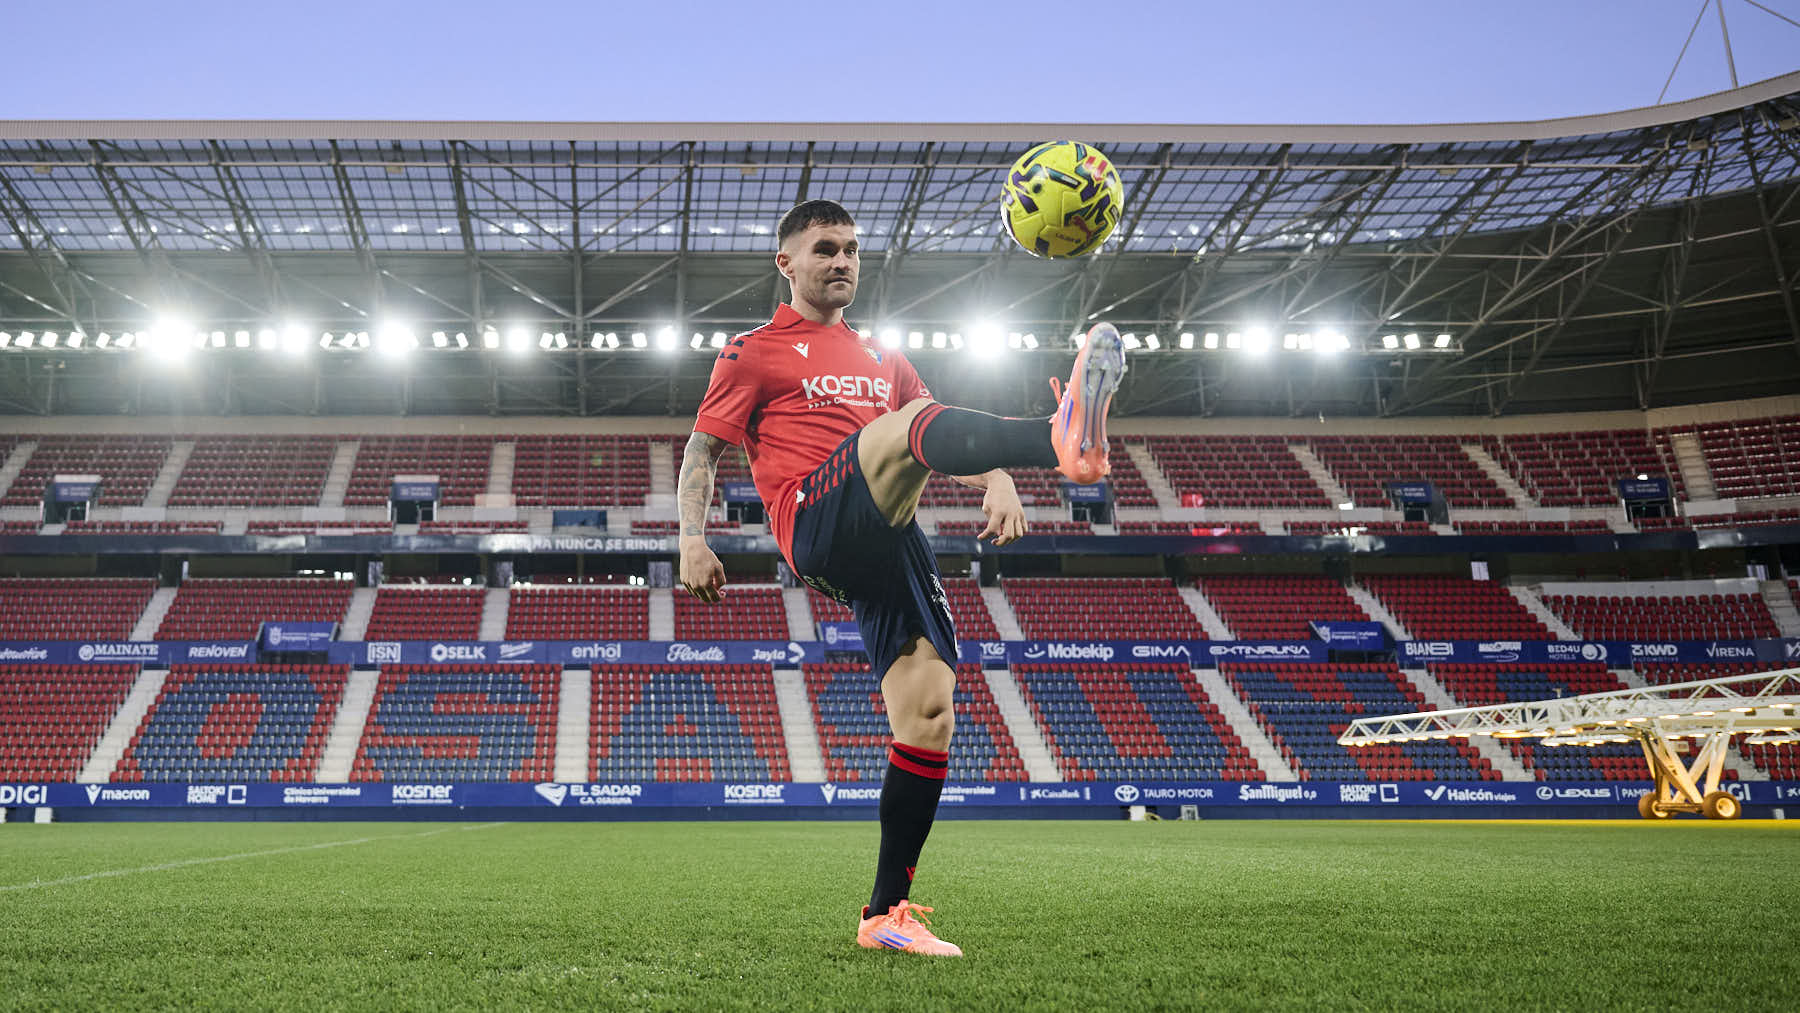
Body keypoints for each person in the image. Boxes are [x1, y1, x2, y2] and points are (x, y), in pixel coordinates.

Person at [677, 198, 1125, 957]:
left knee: (929, 710)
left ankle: (887, 912)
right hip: (812, 517)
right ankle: (1058, 439)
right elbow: (700, 455)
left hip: (886, 535)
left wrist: (994, 477)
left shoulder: (882, 354)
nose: (843, 260)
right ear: (787, 263)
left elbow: (932, 413)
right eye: (825, 248)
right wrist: (691, 538)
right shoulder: (751, 351)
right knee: (892, 433)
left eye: (852, 248)